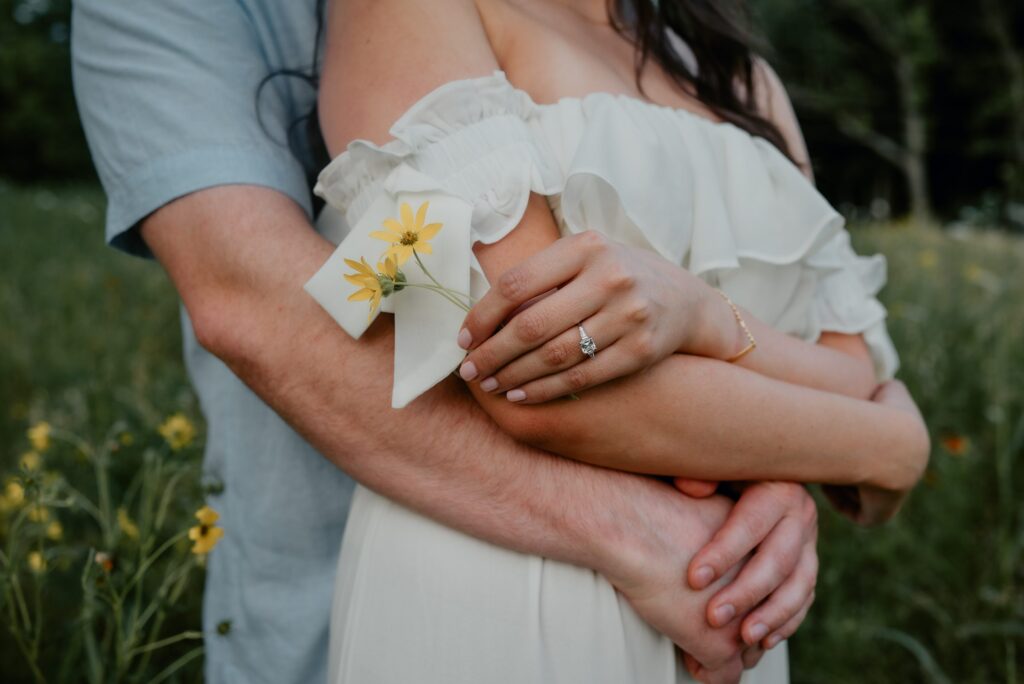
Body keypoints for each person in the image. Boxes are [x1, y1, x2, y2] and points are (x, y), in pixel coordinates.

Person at [69, 0, 843, 682]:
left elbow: (831, 349)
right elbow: (257, 308)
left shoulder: (719, 61)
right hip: (424, 583)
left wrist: (788, 469)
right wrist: (839, 446)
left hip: (724, 591)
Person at [313, 0, 929, 682]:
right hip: (510, 586)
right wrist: (891, 447)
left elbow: (853, 371)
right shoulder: (414, 11)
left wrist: (708, 320)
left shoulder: (742, 78)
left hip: (732, 610)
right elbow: (533, 382)